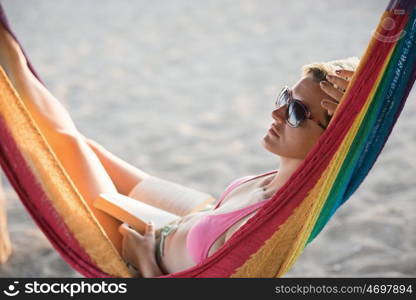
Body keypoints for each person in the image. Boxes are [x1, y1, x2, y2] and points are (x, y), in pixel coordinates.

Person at [0, 21, 358, 277]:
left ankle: (8, 57)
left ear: (333, 141)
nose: (276, 112)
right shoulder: (279, 182)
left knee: (57, 142)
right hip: (188, 217)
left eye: (295, 112)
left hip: (145, 248)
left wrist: (145, 264)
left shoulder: (267, 230)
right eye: (285, 97)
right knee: (84, 145)